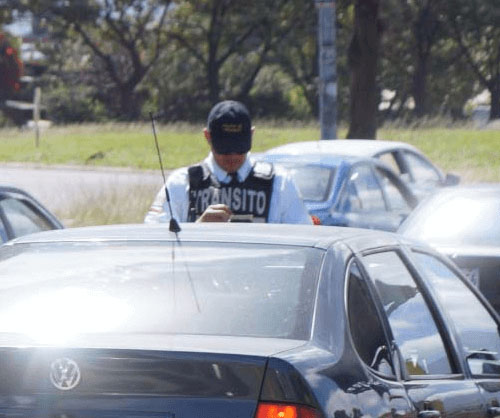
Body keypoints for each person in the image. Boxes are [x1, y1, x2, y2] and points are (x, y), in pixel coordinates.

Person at [144, 100, 312, 224]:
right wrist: (197, 229)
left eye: (239, 148)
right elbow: (154, 238)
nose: (232, 156)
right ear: (207, 137)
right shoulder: (181, 183)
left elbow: (303, 238)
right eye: (224, 148)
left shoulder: (280, 183)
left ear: (251, 135)